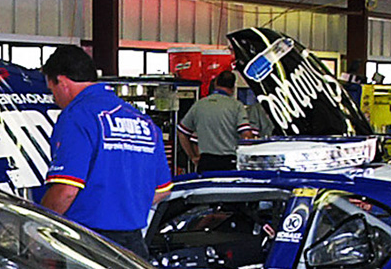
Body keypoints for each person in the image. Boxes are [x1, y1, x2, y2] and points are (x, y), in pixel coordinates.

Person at [40, 44, 172, 257]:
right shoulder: (143, 120)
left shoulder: (77, 116)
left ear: (61, 82)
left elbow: (66, 190)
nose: (54, 98)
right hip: (135, 246)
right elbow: (163, 189)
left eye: (52, 90)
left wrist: (37, 226)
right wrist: (123, 205)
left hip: (89, 244)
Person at [177, 70, 247, 172]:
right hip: (229, 162)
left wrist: (193, 156)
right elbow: (246, 135)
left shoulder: (199, 105)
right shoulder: (236, 106)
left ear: (215, 83)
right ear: (233, 88)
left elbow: (182, 132)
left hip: (206, 161)